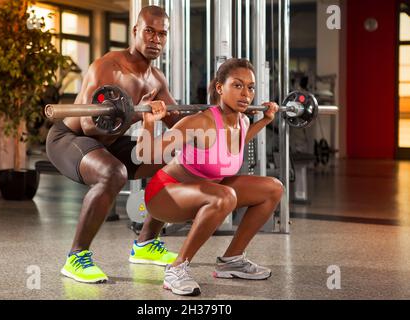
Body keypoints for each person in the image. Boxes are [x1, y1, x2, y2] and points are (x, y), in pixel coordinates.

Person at [46, 6, 180, 284]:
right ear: (135, 32)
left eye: (162, 34)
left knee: (176, 157)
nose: (156, 39)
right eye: (149, 31)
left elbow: (178, 125)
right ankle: (76, 257)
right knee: (113, 172)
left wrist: (222, 113)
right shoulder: (109, 67)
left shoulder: (156, 79)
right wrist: (137, 113)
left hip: (111, 141)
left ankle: (145, 244)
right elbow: (90, 127)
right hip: (69, 139)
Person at [138, 58, 283, 296]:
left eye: (250, 87)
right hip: (164, 195)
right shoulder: (201, 122)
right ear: (219, 88)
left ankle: (232, 260)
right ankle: (176, 269)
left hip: (207, 191)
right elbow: (144, 154)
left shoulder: (244, 121)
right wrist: (148, 123)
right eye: (237, 85)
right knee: (225, 196)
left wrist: (265, 121)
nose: (246, 93)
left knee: (273, 188)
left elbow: (235, 144)